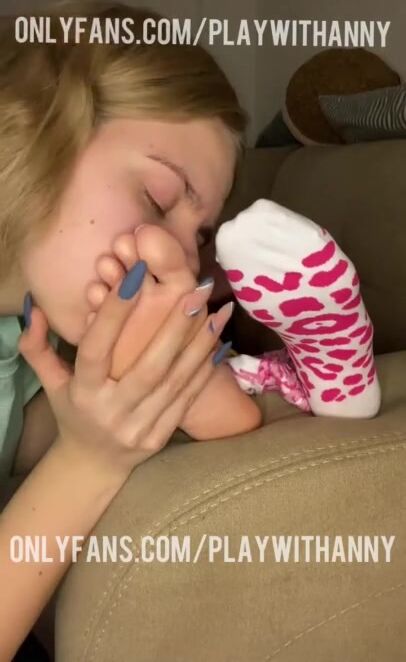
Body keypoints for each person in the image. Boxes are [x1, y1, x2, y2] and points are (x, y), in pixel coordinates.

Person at [0, 1, 381, 658]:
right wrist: (89, 461)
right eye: (157, 198)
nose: (178, 255)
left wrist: (171, 374)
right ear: (29, 130)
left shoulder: (21, 334)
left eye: (199, 236)